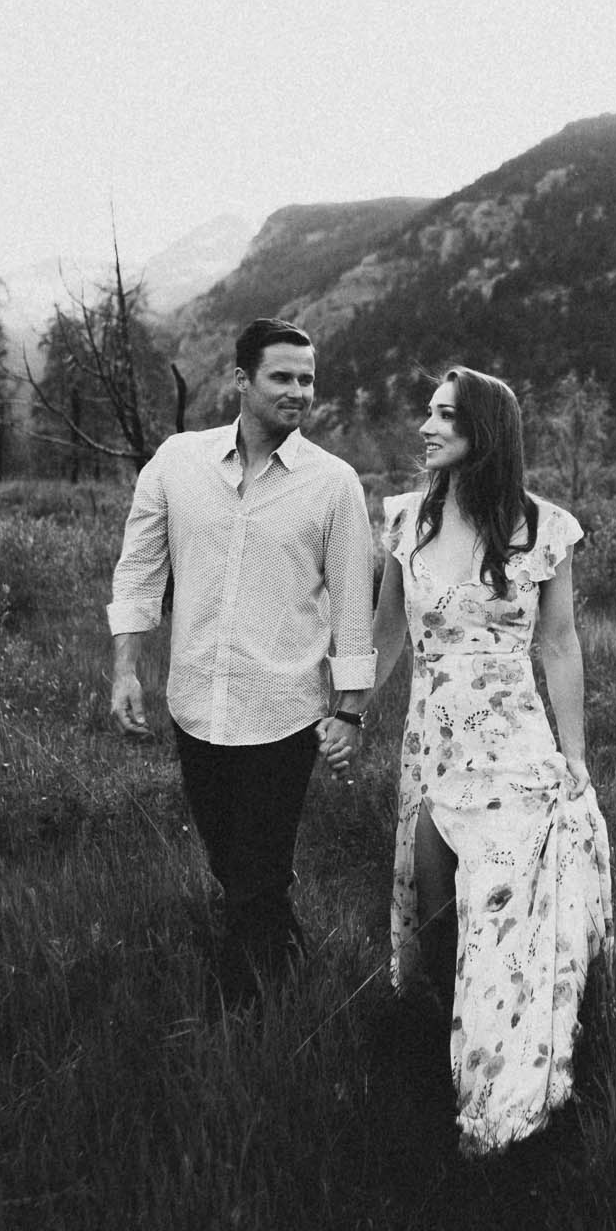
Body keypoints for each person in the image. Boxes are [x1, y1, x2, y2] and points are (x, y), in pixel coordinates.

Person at [371, 366, 613, 1154]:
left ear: (485, 431)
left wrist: (574, 757)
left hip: (513, 749)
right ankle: (439, 1047)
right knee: (438, 909)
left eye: (446, 416)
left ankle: (506, 1092)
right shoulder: (406, 521)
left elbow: (559, 642)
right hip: (434, 742)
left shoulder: (543, 527)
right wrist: (341, 711)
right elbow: (386, 635)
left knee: (505, 915)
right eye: (429, 413)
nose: (426, 427)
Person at [107, 318, 377, 1005]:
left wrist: (349, 710)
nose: (298, 392)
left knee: (257, 871)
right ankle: (287, 954)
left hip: (284, 712)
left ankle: (247, 1013)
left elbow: (352, 605)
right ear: (241, 381)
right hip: (195, 705)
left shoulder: (333, 484)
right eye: (282, 377)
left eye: (307, 379)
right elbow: (139, 571)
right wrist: (125, 668)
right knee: (232, 864)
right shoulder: (176, 462)